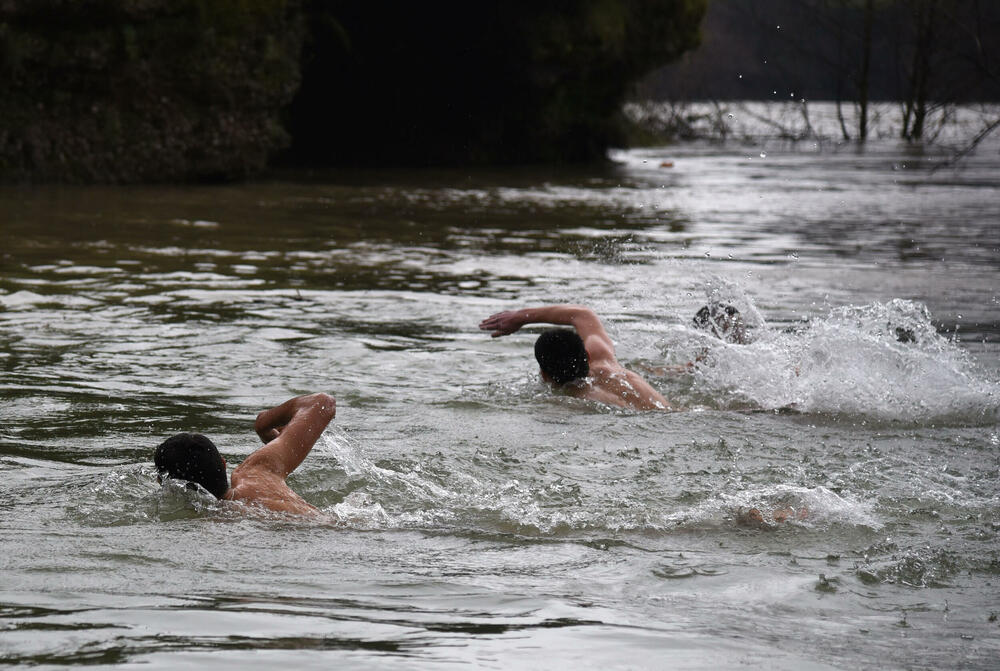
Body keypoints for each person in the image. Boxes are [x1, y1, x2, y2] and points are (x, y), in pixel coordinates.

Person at [153, 393, 336, 517]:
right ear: (223, 464)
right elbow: (322, 403)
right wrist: (262, 425)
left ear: (168, 485)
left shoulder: (215, 522)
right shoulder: (256, 472)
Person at [479, 304, 673, 410]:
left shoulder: (564, 403)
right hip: (673, 413)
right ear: (587, 354)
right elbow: (582, 314)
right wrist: (521, 316)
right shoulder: (604, 360)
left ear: (544, 375)